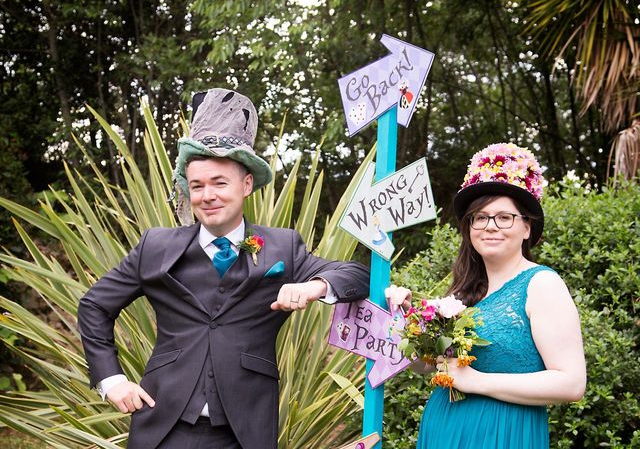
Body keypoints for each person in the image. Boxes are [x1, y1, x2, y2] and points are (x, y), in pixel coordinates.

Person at [77, 88, 370, 449]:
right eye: (197, 185)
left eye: (219, 183)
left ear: (246, 184)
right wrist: (112, 381)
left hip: (243, 432)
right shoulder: (156, 246)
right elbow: (94, 306)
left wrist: (314, 287)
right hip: (162, 428)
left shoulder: (282, 246)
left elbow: (357, 275)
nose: (207, 195)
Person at [387, 142, 586, 449]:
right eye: (479, 217)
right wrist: (408, 325)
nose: (490, 226)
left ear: (526, 228)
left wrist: (477, 381)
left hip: (503, 434)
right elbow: (427, 366)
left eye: (504, 217)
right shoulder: (463, 291)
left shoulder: (542, 284)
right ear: (470, 228)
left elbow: (571, 383)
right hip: (443, 428)